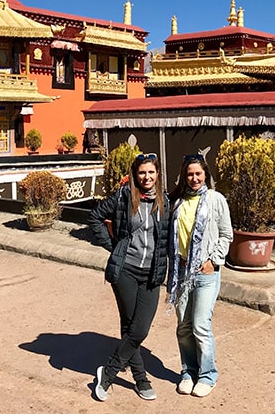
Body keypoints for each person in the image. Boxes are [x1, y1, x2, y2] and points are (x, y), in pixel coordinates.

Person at [88, 153, 170, 402]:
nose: (147, 177)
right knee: (130, 324)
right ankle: (140, 379)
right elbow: (95, 218)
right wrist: (114, 246)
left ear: (158, 174)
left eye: (151, 172)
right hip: (126, 270)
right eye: (142, 172)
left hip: (152, 273)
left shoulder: (165, 201)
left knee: (139, 329)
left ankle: (108, 371)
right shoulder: (124, 196)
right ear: (136, 175)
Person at [167, 154, 232, 398]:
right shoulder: (178, 202)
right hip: (181, 271)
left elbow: (226, 234)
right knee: (183, 326)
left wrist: (213, 261)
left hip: (205, 273)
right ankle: (188, 372)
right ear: (184, 176)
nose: (194, 178)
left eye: (198, 173)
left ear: (205, 174)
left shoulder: (216, 200)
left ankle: (207, 375)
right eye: (190, 174)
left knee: (200, 325)